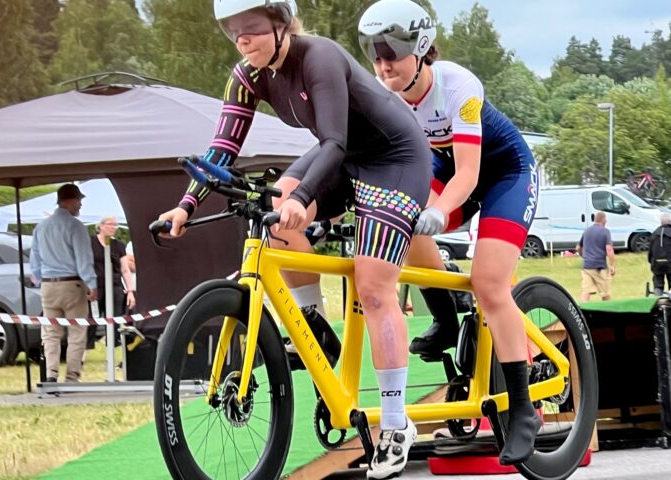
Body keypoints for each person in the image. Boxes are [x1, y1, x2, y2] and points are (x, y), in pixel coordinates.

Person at [157, 1, 432, 477]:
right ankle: (315, 327)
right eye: (232, 32)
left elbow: (335, 141)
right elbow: (222, 148)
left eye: (252, 28)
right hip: (341, 157)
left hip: (395, 160)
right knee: (273, 212)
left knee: (373, 286)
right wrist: (185, 205)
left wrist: (303, 199)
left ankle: (395, 424)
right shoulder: (247, 75)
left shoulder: (318, 57)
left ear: (282, 25)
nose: (242, 40)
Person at [358, 0, 541, 465]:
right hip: (448, 170)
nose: (383, 65)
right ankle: (445, 317)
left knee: (489, 284)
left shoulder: (458, 85)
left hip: (504, 174)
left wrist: (440, 210)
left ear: (420, 50)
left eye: (391, 54)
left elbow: (469, 173)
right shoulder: (384, 98)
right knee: (400, 216)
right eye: (374, 55)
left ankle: (523, 409)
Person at [30, 184, 97, 383]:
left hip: (48, 286)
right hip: (72, 284)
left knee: (51, 332)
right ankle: (72, 376)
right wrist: (91, 283)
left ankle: (50, 374)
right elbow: (83, 259)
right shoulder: (76, 226)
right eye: (79, 200)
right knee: (77, 331)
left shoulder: (41, 227)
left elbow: (35, 260)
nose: (80, 205)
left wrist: (41, 279)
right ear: (69, 200)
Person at [87, 216, 136, 348]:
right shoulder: (90, 242)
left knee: (114, 321)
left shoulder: (119, 245)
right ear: (101, 226)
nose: (113, 227)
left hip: (115, 287)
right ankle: (85, 351)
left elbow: (125, 270)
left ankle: (112, 348)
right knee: (91, 320)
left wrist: (130, 291)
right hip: (95, 287)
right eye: (111, 224)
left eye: (115, 225)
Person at [576, 211, 615, 301]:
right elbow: (609, 249)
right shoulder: (605, 231)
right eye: (605, 219)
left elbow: (578, 248)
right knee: (605, 292)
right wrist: (612, 265)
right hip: (599, 267)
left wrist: (584, 256)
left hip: (586, 266)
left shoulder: (587, 231)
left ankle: (581, 308)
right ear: (603, 220)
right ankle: (609, 308)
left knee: (586, 291)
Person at [649, 213, 671, 295]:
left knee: (658, 282)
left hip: (657, 263)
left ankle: (657, 296)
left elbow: (650, 251)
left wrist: (651, 261)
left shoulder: (655, 233)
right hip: (670, 262)